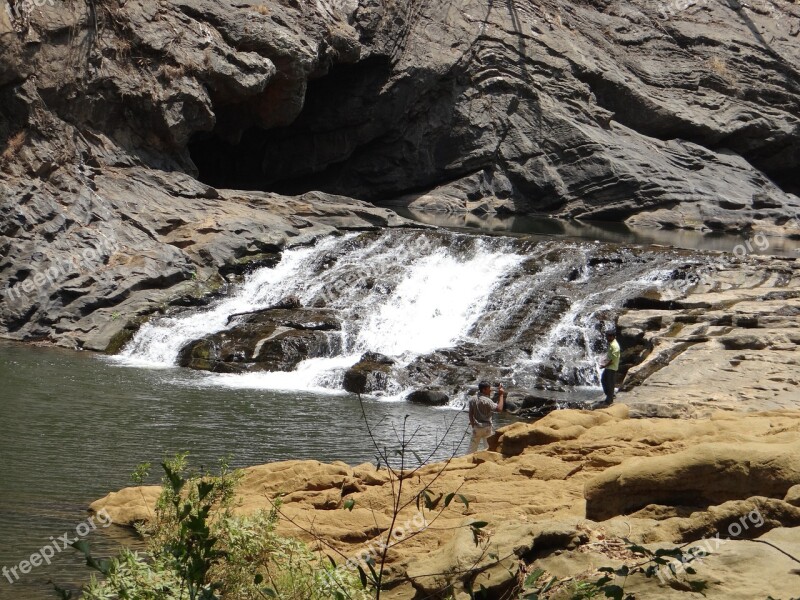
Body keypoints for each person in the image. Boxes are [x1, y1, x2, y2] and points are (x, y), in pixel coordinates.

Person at [468, 381, 505, 453]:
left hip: (476, 427)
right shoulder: (487, 401)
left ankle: (466, 462)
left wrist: (473, 425)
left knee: (471, 449)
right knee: (489, 448)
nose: (490, 390)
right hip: (487, 428)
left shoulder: (472, 399)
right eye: (489, 388)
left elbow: (470, 414)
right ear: (484, 390)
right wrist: (501, 395)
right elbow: (499, 409)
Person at [599, 331, 620, 404]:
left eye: (608, 336)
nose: (606, 338)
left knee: (609, 383)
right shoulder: (611, 344)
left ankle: (609, 400)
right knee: (604, 380)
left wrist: (604, 365)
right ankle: (609, 395)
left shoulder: (615, 346)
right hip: (609, 367)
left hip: (611, 367)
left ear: (612, 337)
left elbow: (613, 360)